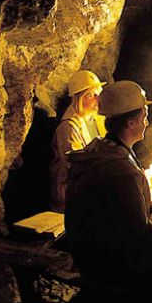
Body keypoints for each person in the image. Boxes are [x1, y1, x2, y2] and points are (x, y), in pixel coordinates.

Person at [65, 80, 152, 289]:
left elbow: (121, 213)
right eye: (144, 117)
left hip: (89, 256)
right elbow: (138, 233)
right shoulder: (121, 171)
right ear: (130, 123)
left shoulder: (102, 151)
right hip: (110, 268)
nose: (146, 122)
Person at [50, 70, 106, 211]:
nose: (97, 99)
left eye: (98, 93)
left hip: (93, 186)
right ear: (79, 99)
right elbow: (75, 165)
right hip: (71, 195)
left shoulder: (98, 120)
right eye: (91, 95)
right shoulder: (68, 127)